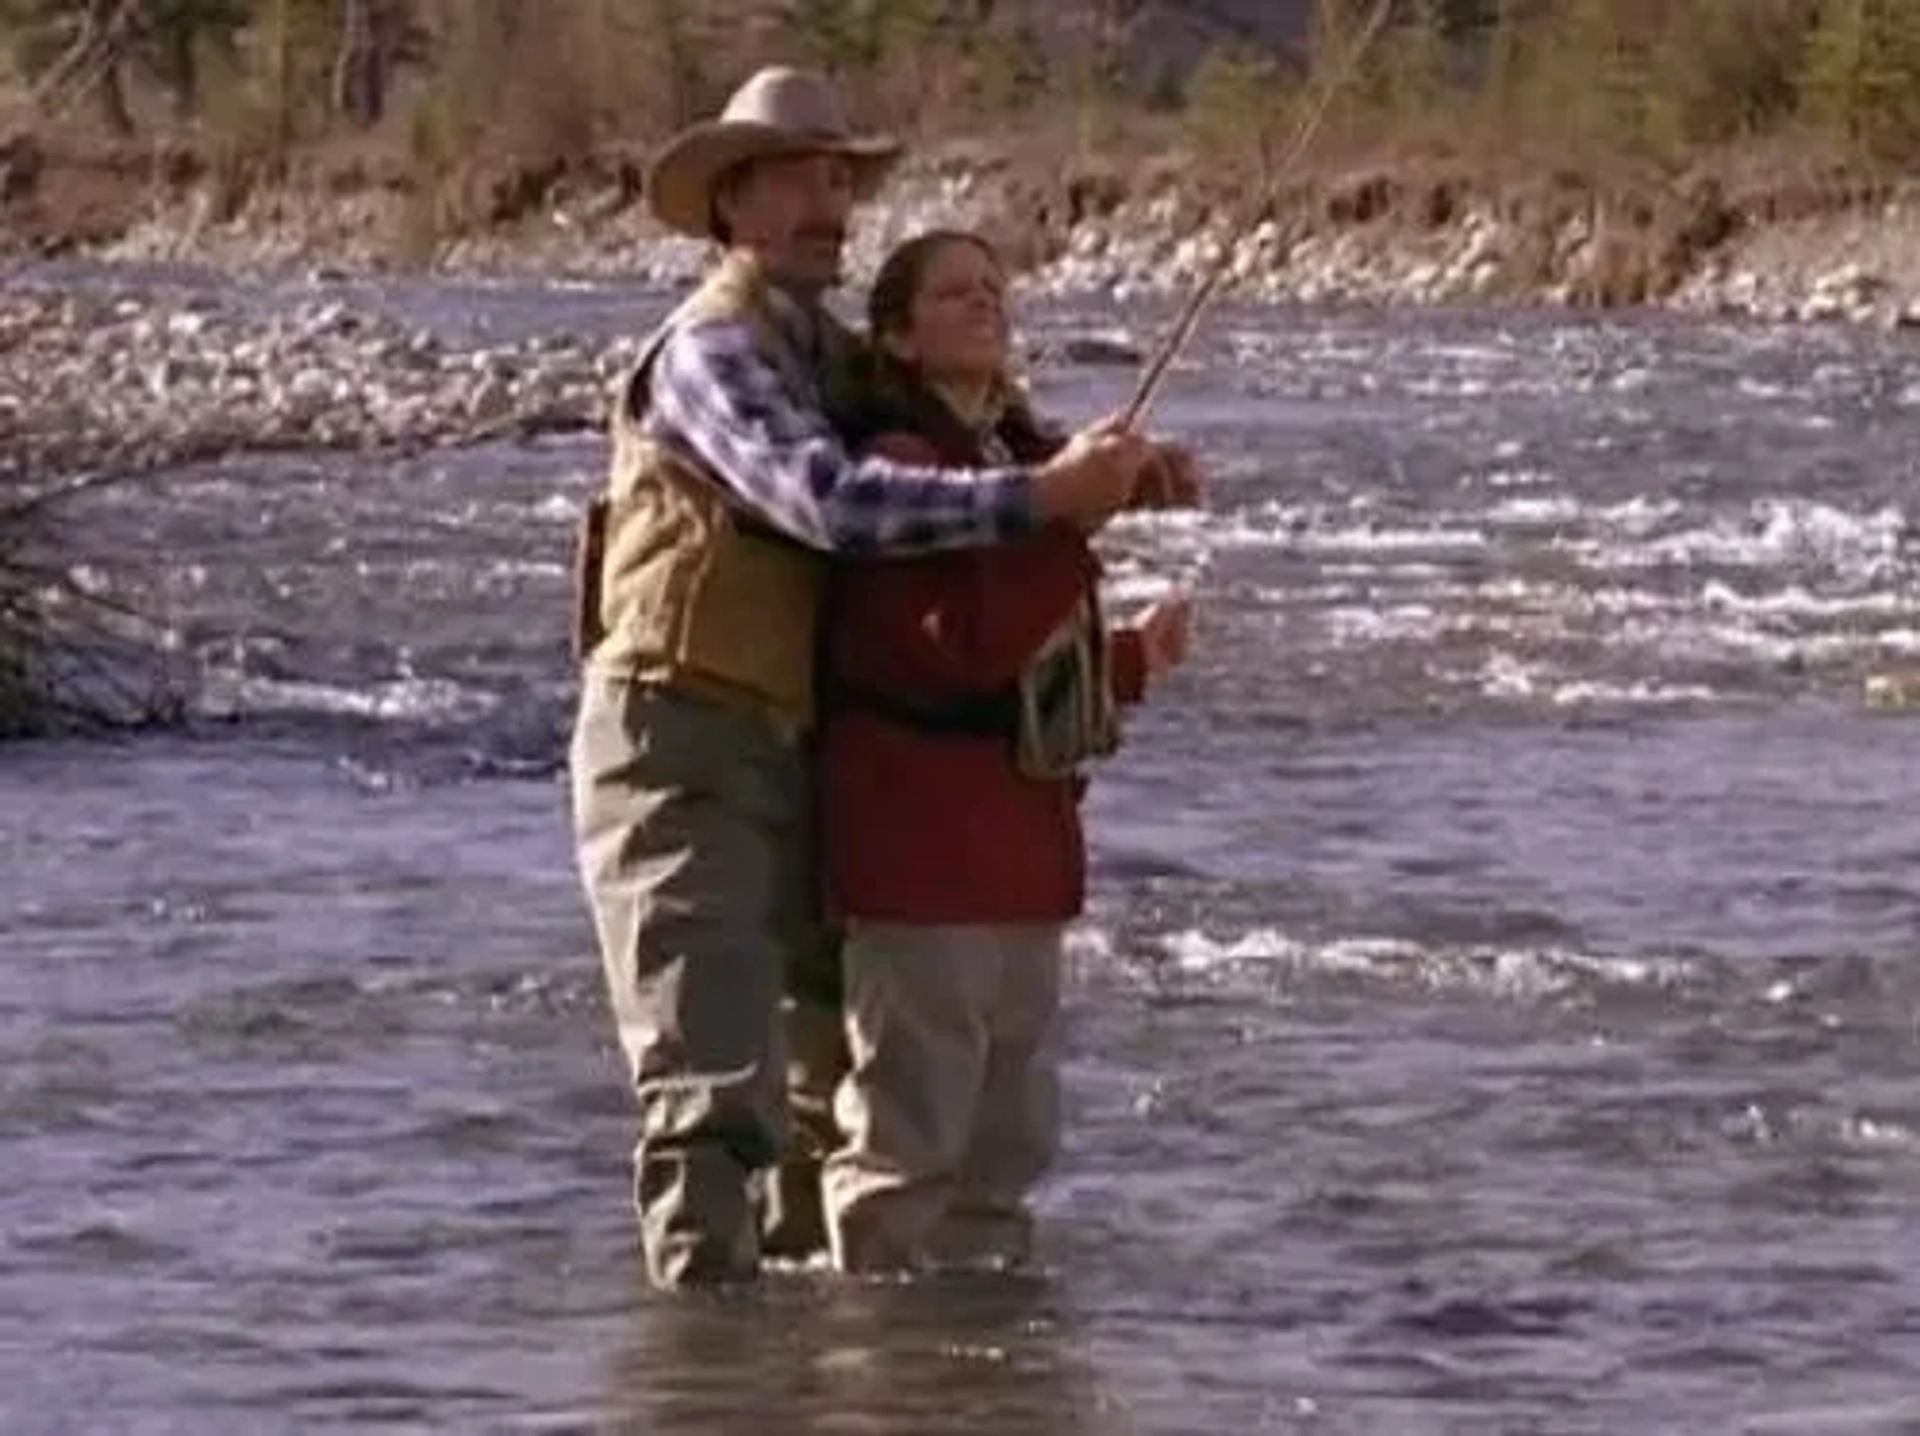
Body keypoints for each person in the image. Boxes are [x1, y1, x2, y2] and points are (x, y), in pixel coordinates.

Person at [568, 67, 1196, 1290]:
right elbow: (834, 501)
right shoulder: (711, 348)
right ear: (733, 202)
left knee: (824, 1086)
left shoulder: (833, 354)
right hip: (675, 738)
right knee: (710, 1091)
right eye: (802, 178)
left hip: (799, 742)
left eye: (841, 179)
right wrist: (1047, 495)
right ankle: (707, 1381)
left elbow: (968, 425)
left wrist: (1125, 470)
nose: (831, 202)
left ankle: (841, 1384)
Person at [818, 230, 1196, 1276]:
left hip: (1022, 861)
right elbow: (955, 652)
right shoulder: (895, 468)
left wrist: (1127, 659)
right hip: (921, 860)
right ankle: (872, 1372)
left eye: (994, 288)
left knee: (1005, 1158)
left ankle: (984, 1386)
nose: (985, 303)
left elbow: (1029, 666)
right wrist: (1073, 520)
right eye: (954, 292)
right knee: (909, 1153)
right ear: (897, 334)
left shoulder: (1010, 460)